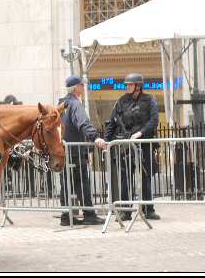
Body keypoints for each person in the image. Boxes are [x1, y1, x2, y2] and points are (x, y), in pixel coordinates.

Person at [105, 73, 160, 221]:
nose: (127, 87)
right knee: (125, 178)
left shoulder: (149, 100)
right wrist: (106, 141)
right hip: (126, 145)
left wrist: (140, 133)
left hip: (144, 143)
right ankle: (125, 211)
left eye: (130, 84)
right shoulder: (121, 101)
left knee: (146, 176)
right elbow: (112, 122)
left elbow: (154, 121)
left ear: (138, 86)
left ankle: (148, 209)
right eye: (127, 84)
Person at [58, 75, 107, 226]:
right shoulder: (74, 104)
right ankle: (89, 214)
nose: (83, 87)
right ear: (76, 88)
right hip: (75, 151)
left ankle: (66, 216)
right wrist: (95, 137)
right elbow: (83, 122)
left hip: (65, 151)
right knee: (82, 183)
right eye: (81, 85)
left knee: (66, 184)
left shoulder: (61, 104)